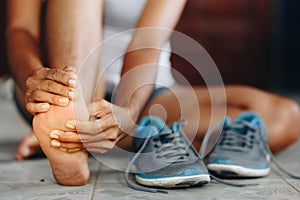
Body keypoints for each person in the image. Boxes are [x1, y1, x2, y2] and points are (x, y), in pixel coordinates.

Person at [6, 0, 300, 186]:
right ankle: (69, 121)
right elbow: (20, 29)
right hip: (52, 87)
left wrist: (127, 113)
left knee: (283, 117)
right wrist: (35, 78)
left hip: (143, 91)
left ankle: (80, 137)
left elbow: (147, 40)